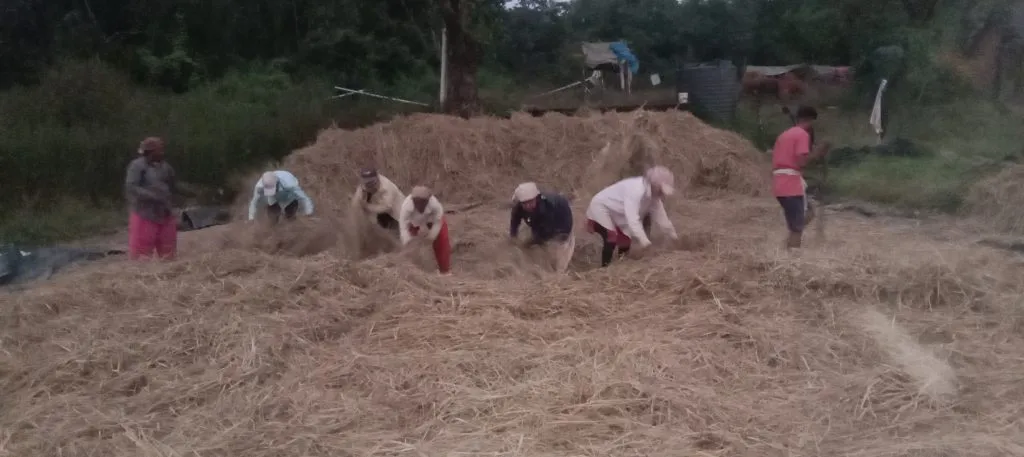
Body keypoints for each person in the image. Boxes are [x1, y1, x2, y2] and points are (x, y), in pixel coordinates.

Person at [585, 166, 679, 268]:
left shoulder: (654, 197)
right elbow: (633, 219)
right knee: (611, 236)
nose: (662, 194)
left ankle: (621, 265)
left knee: (625, 239)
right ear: (654, 185)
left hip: (619, 211)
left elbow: (662, 219)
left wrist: (674, 237)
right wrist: (645, 242)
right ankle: (604, 269)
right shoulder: (636, 191)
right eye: (661, 190)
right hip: (602, 207)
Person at [772, 105, 829, 249]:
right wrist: (817, 154)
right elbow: (801, 161)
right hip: (791, 183)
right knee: (798, 226)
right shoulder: (803, 135)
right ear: (810, 121)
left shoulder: (784, 135)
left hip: (779, 182)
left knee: (808, 213)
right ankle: (792, 257)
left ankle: (789, 242)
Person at [124, 137, 179, 260]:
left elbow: (173, 186)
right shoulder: (137, 166)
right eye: (159, 150)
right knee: (141, 255)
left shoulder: (166, 167)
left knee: (168, 253)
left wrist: (197, 192)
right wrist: (152, 196)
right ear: (150, 152)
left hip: (165, 212)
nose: (162, 153)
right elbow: (131, 186)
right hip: (145, 214)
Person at [509, 182, 575, 273]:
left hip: (561, 223)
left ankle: (558, 274)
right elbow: (515, 220)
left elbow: (545, 232)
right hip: (541, 223)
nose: (528, 206)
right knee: (538, 245)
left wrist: (529, 243)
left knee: (558, 254)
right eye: (525, 203)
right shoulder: (518, 206)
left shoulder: (548, 207)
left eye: (530, 202)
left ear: (537, 198)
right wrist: (513, 235)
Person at [399, 186, 451, 275]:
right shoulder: (406, 207)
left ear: (428, 200)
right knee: (411, 246)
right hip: (414, 222)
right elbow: (403, 226)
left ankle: (444, 270)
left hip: (431, 219)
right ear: (413, 200)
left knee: (442, 240)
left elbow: (438, 221)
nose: (420, 206)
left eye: (423, 203)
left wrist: (432, 236)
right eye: (417, 203)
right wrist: (407, 241)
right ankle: (416, 270)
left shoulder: (435, 204)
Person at [247, 170, 314, 223]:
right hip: (273, 199)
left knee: (290, 218)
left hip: (289, 197)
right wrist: (251, 218)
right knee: (272, 220)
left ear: (277, 183)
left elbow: (304, 198)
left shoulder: (290, 184)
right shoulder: (259, 186)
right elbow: (254, 202)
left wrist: (308, 212)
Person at [350, 168, 404, 233]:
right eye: (367, 183)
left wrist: (366, 206)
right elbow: (355, 202)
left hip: (397, 214)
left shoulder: (387, 187)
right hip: (380, 215)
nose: (369, 185)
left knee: (399, 234)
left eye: (372, 182)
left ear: (377, 179)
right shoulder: (364, 186)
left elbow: (387, 207)